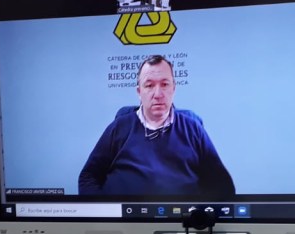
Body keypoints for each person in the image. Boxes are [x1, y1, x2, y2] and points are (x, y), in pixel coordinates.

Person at [78, 55, 235, 198]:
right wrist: (104, 212)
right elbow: (88, 177)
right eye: (149, 85)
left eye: (165, 84)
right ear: (139, 92)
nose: (158, 94)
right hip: (125, 217)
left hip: (179, 218)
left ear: (174, 89)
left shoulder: (193, 129)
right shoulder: (119, 127)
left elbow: (222, 185)